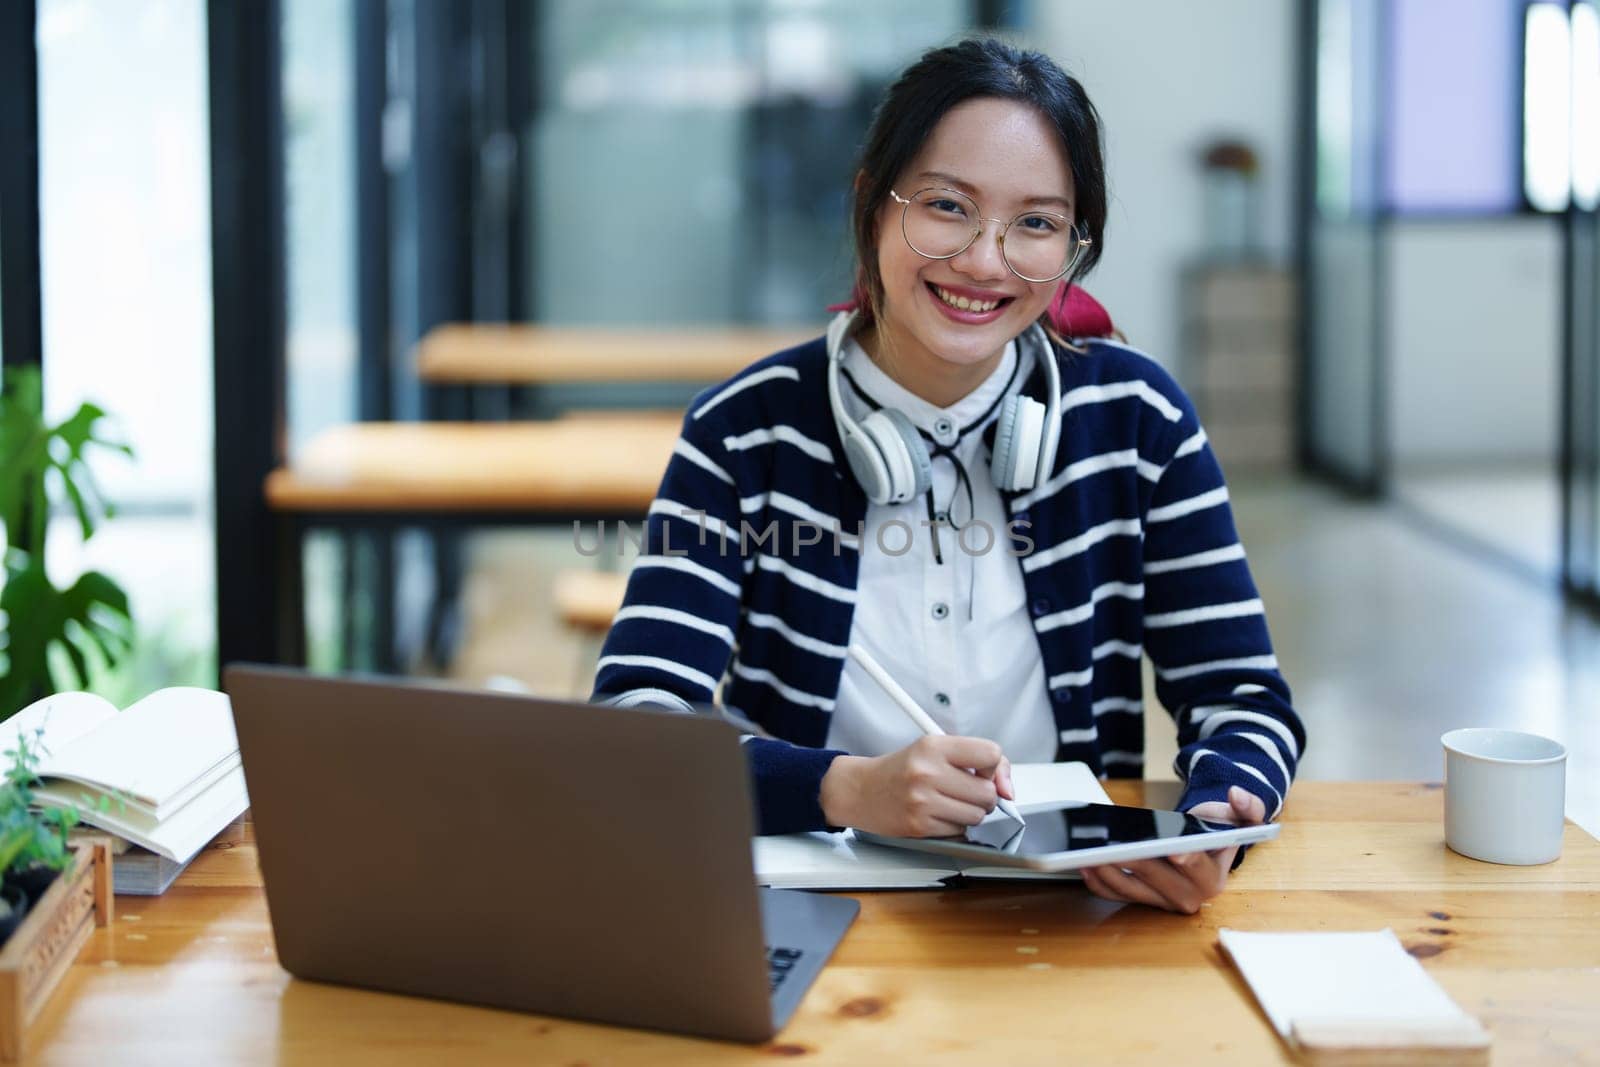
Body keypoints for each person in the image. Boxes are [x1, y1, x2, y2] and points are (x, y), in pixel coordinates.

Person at [591, 36, 1305, 914]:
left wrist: (1212, 820)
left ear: (1073, 246)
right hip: (817, 904)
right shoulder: (745, 429)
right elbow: (635, 721)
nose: (984, 260)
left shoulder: (1136, 421)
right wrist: (843, 787)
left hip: (1074, 912)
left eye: (1036, 223)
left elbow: (1243, 698)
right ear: (871, 207)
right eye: (945, 206)